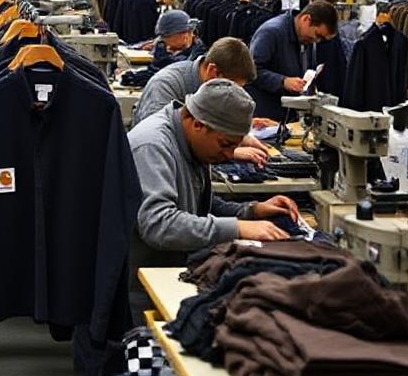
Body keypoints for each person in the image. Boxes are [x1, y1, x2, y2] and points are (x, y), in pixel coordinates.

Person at [128, 79, 300, 323]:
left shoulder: (189, 144)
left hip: (166, 276)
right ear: (199, 124)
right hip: (137, 293)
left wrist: (252, 210)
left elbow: (197, 206)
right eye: (226, 144)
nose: (230, 155)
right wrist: (238, 228)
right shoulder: (153, 146)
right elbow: (159, 224)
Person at [134, 36, 273, 163]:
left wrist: (238, 136)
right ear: (213, 71)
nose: (234, 94)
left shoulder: (208, 92)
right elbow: (160, 141)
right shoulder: (164, 86)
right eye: (230, 85)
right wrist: (232, 151)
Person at [248, 0, 339, 120]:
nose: (317, 40)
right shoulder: (271, 33)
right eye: (318, 35)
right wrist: (283, 81)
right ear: (306, 19)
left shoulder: (307, 39)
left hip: (288, 115)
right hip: (265, 117)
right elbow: (250, 72)